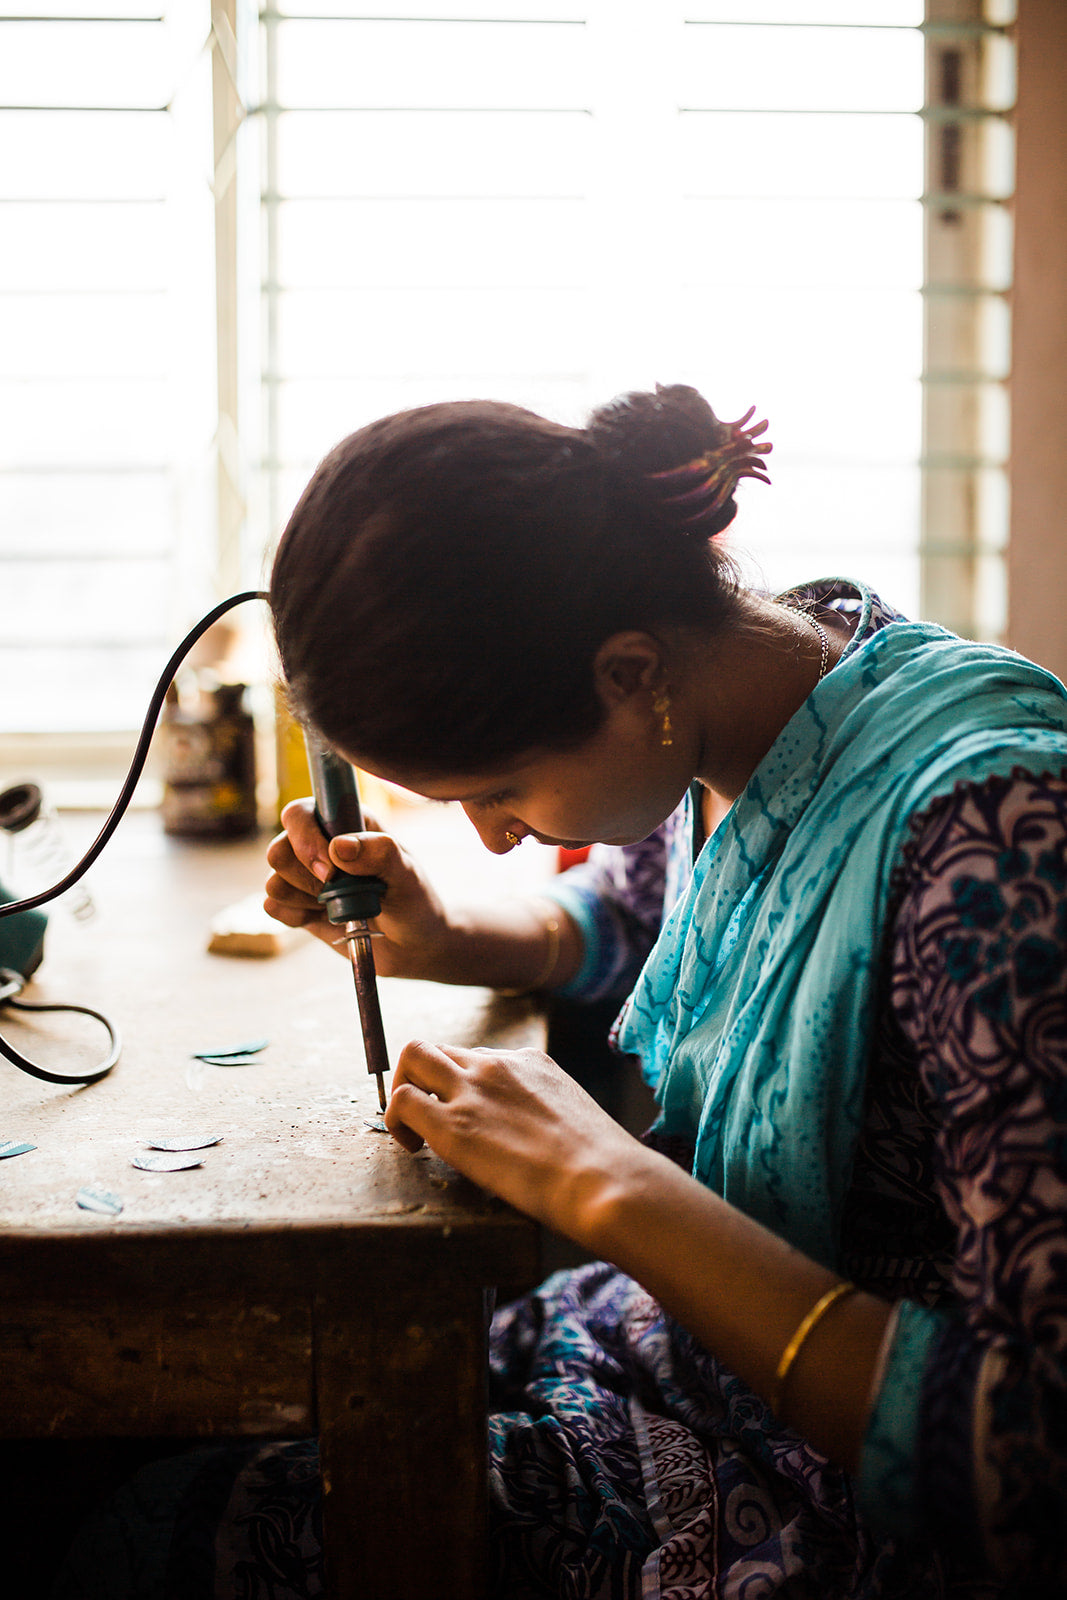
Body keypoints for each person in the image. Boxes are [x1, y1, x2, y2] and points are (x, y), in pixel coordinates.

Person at [57, 386, 1067, 1598]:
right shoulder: (759, 689)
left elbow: (1027, 1461)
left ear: (627, 670)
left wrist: (599, 1178)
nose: (486, 838)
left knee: (149, 1529)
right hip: (646, 1355)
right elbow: (644, 919)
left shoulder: (998, 842)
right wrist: (447, 933)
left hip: (813, 1502)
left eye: (493, 790)